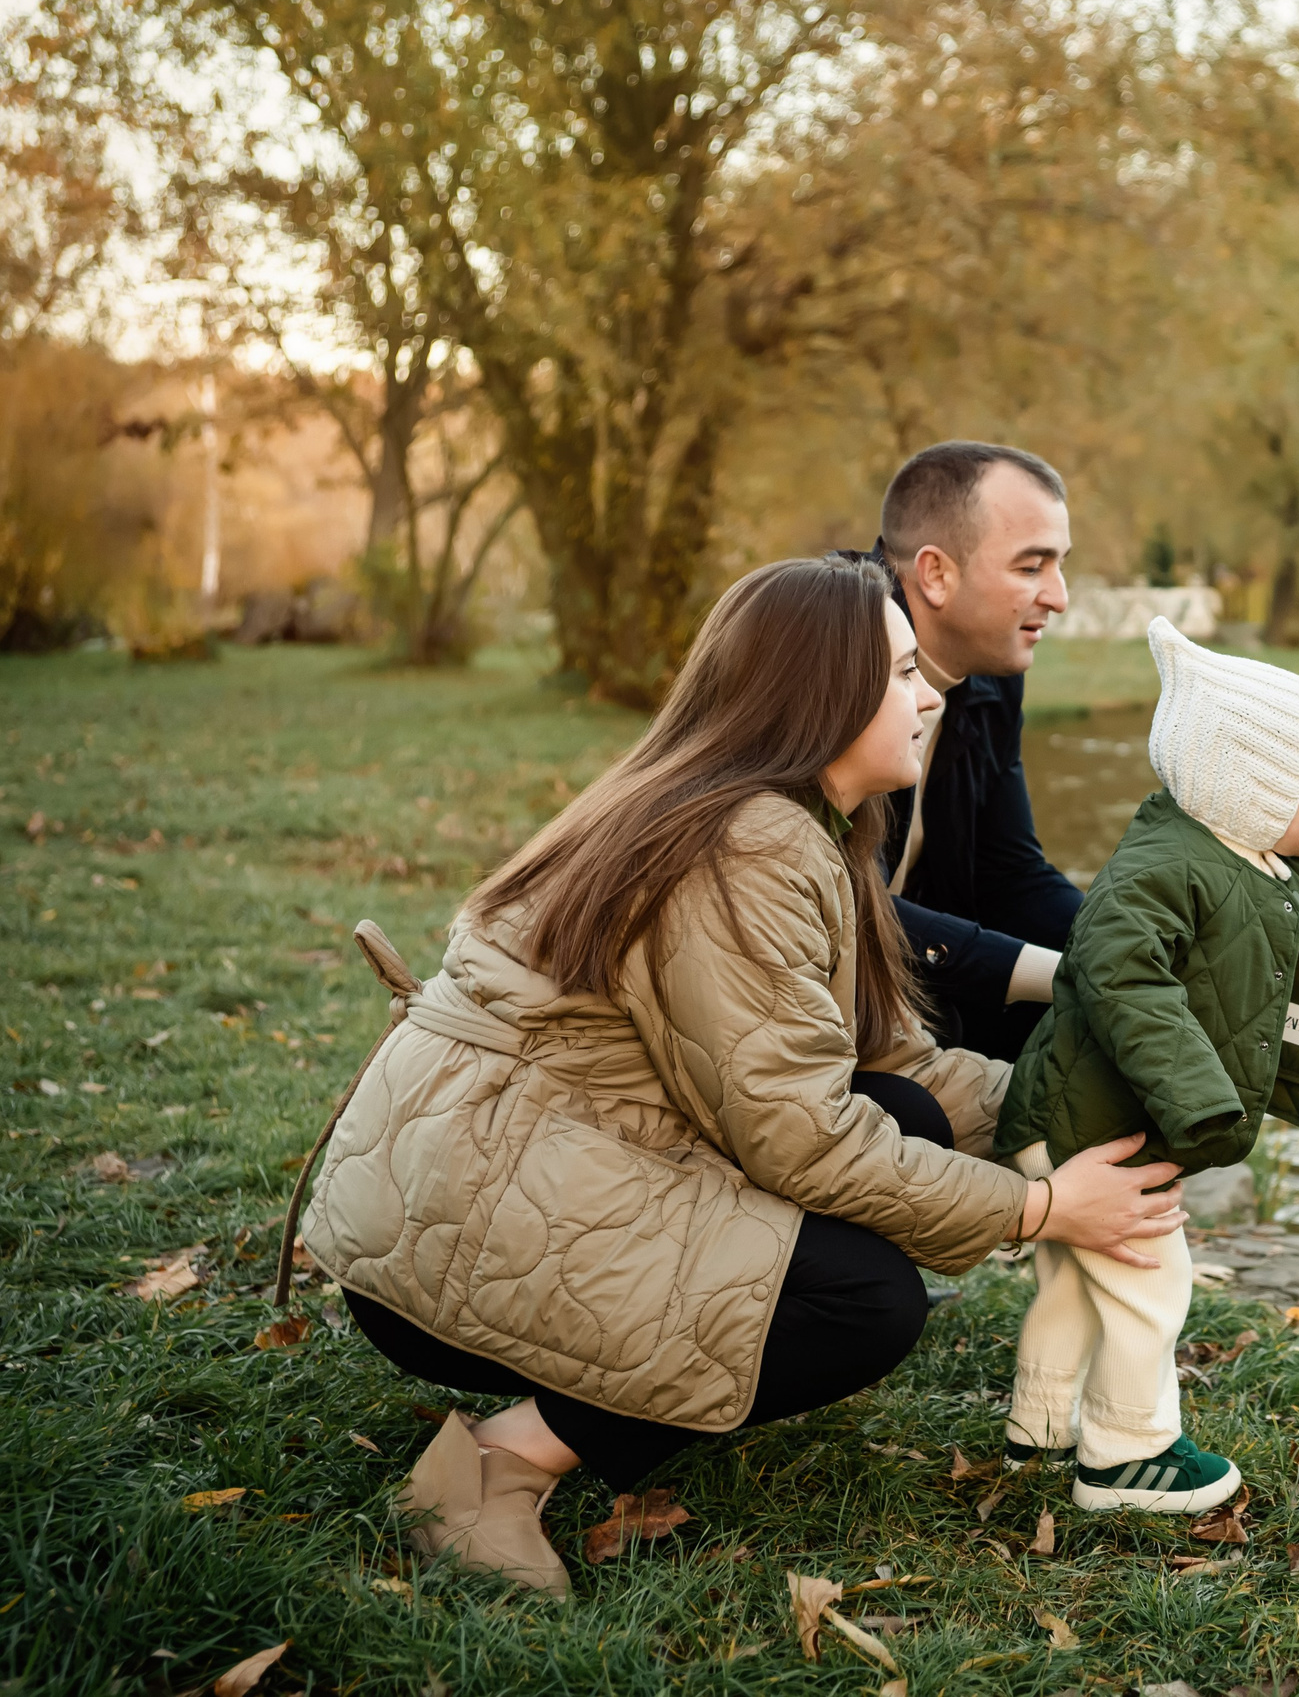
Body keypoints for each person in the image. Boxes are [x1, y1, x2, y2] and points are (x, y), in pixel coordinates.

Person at [296, 555, 1190, 1597]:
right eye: (902, 672)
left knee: (897, 1109)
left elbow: (884, 1061)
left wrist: (1075, 1116)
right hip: (454, 1238)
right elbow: (799, 1134)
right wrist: (1040, 1206)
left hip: (480, 1183)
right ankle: (495, 1466)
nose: (931, 694)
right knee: (863, 1302)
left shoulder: (798, 820)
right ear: (821, 693)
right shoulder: (747, 842)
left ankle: (600, 1394)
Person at [995, 619, 1299, 1512]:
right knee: (1150, 1280)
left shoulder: (1249, 838)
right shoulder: (1162, 869)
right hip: (1096, 1129)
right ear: (1251, 790)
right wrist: (1201, 1098)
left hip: (1072, 1119)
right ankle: (1125, 1455)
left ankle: (1043, 1422)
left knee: (1073, 1279)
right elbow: (1116, 970)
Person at [841, 441, 1083, 1062]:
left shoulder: (993, 671)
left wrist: (1134, 949)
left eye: (1059, 566)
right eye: (1031, 568)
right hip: (808, 990)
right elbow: (834, 906)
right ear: (936, 574)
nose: (1059, 597)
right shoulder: (827, 658)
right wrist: (1060, 976)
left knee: (1099, 1037)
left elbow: (1010, 871)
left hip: (912, 984)